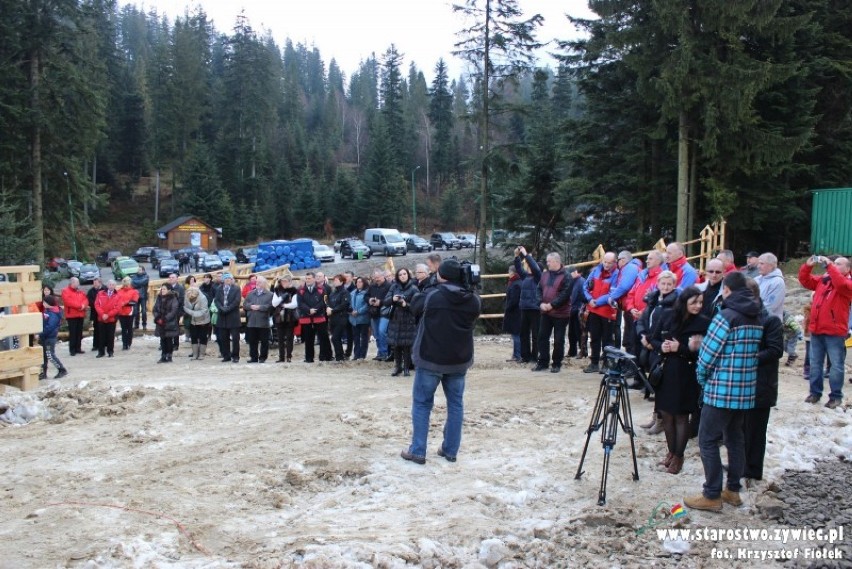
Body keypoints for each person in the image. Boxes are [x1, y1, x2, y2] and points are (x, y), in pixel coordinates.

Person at [684, 271, 763, 512]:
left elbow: (708, 354)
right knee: (735, 439)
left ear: (727, 290)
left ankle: (711, 494)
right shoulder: (757, 316)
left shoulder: (725, 316)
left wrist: (702, 378)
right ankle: (732, 490)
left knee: (707, 440)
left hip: (721, 389)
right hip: (745, 390)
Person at [401, 258, 481, 464]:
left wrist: (430, 284)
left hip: (430, 358)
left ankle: (418, 450)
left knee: (421, 404)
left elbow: (415, 306)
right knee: (456, 405)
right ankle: (450, 450)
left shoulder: (432, 295)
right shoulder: (473, 300)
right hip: (458, 359)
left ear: (440, 276)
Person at [648, 286, 710, 474]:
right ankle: (671, 452)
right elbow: (653, 338)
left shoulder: (704, 322)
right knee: (666, 414)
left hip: (687, 371)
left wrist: (681, 348)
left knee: (681, 416)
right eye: (694, 302)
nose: (698, 306)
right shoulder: (668, 315)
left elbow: (705, 351)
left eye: (700, 302)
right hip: (667, 369)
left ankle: (679, 456)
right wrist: (663, 347)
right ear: (684, 302)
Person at [742, 278, 783, 483]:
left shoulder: (771, 320)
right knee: (741, 427)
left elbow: (776, 350)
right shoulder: (740, 318)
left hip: (761, 384)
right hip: (742, 384)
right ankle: (741, 464)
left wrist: (750, 357)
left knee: (756, 430)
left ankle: (753, 469)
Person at [798, 255, 852, 409]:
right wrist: (807, 266)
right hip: (817, 329)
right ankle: (815, 393)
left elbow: (841, 285)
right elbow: (806, 281)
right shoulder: (825, 279)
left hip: (835, 332)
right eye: (833, 263)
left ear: (848, 269)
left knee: (836, 366)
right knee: (815, 364)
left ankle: (835, 396)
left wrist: (829, 266)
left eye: (838, 264)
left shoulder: (847, 283)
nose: (834, 265)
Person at [532, 252, 573, 373]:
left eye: (549, 261)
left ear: (556, 262)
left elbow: (565, 294)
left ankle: (556, 363)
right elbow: (539, 289)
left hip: (561, 313)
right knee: (542, 337)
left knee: (559, 339)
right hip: (546, 312)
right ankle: (543, 362)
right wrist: (540, 303)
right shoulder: (545, 274)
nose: (547, 263)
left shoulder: (566, 276)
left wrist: (551, 305)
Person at [624, 249, 665, 358]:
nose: (647, 261)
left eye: (650, 258)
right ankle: (634, 369)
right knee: (633, 344)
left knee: (644, 347)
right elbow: (631, 294)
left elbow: (658, 299)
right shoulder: (641, 276)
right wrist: (631, 308)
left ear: (658, 261)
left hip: (649, 319)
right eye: (647, 258)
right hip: (635, 317)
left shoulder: (661, 278)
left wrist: (643, 312)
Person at [582, 252, 618, 373]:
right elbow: (585, 286)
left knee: (607, 339)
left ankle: (607, 364)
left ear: (614, 262)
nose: (607, 265)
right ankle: (594, 363)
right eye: (605, 262)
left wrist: (597, 301)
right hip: (593, 309)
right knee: (594, 337)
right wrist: (589, 299)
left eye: (609, 263)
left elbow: (613, 293)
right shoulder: (595, 271)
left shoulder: (616, 274)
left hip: (607, 311)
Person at [384, 268, 419, 376]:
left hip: (408, 320)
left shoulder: (414, 288)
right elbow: (385, 301)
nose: (403, 276)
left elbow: (418, 306)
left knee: (407, 345)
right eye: (400, 274)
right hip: (395, 318)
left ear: (408, 275)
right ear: (397, 277)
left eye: (404, 274)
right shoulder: (394, 286)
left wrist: (405, 304)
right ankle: (397, 367)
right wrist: (393, 299)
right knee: (396, 345)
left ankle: (406, 368)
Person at [514, 246, 542, 364]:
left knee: (536, 335)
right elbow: (519, 269)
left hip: (535, 309)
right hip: (524, 308)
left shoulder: (538, 277)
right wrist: (516, 256)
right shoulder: (526, 276)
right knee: (523, 334)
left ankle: (535, 357)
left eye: (530, 266)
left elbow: (535, 268)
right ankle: (525, 356)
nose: (529, 267)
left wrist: (526, 255)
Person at [611, 250, 642, 351]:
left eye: (618, 260)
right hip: (629, 306)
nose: (616, 263)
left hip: (632, 307)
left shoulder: (630, 268)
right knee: (629, 334)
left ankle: (630, 358)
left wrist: (612, 296)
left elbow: (624, 286)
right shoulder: (628, 269)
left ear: (623, 260)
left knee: (631, 335)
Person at [297, 272, 330, 363]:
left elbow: (325, 300)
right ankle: (309, 358)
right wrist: (309, 309)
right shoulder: (300, 290)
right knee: (308, 338)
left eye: (309, 278)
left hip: (319, 316)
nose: (307, 280)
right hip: (306, 317)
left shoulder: (322, 289)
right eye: (306, 278)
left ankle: (324, 356)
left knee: (323, 337)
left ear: (314, 279)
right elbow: (300, 303)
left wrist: (315, 309)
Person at [243, 275, 273, 363]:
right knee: (252, 341)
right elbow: (245, 305)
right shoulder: (250, 293)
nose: (257, 284)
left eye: (259, 282)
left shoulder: (270, 295)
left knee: (264, 341)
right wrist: (251, 306)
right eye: (257, 282)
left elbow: (271, 307)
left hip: (263, 322)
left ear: (264, 284)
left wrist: (260, 307)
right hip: (251, 321)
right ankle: (253, 357)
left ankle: (263, 357)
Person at [214, 273, 242, 363]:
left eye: (229, 279)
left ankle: (235, 356)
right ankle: (226, 355)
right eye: (226, 279)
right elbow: (216, 300)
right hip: (222, 316)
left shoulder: (236, 289)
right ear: (223, 280)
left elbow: (237, 301)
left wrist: (228, 308)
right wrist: (221, 308)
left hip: (233, 316)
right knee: (223, 338)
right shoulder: (219, 289)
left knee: (235, 338)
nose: (228, 280)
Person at [39, 295, 67, 379]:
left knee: (50, 354)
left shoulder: (53, 313)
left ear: (48, 303)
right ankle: (43, 373)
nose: (43, 303)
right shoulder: (47, 311)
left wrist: (41, 333)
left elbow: (50, 326)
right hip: (45, 337)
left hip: (50, 337)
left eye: (44, 302)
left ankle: (62, 369)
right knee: (43, 355)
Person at [272, 277, 299, 363]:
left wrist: (284, 305)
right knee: (280, 338)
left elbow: (294, 304)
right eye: (282, 281)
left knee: (289, 337)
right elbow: (274, 303)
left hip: (290, 317)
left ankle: (289, 356)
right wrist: (282, 298)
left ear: (290, 282)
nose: (284, 283)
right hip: (279, 316)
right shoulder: (277, 290)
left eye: (285, 281)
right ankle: (281, 357)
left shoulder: (294, 290)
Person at [367, 269, 392, 361]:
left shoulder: (389, 286)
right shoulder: (372, 286)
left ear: (383, 276)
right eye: (375, 278)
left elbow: (390, 298)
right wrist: (369, 300)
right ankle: (380, 352)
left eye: (378, 277)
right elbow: (366, 296)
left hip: (385, 313)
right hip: (374, 313)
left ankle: (385, 352)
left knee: (382, 332)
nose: (376, 279)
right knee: (377, 334)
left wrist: (380, 302)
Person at [60, 277, 88, 356]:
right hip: (71, 315)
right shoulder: (65, 291)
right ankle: (72, 349)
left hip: (80, 314)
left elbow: (85, 299)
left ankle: (78, 348)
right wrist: (80, 306)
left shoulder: (80, 291)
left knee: (79, 332)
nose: (78, 284)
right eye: (77, 282)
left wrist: (84, 305)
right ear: (72, 283)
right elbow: (68, 302)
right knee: (73, 333)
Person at [326, 274, 352, 361]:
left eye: (336, 280)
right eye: (334, 280)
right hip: (333, 318)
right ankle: (339, 356)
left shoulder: (345, 292)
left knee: (335, 337)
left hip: (341, 318)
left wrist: (333, 310)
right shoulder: (333, 293)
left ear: (341, 282)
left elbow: (344, 305)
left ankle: (340, 357)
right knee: (335, 338)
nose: (334, 282)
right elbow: (329, 302)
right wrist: (328, 308)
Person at [153, 284, 180, 363]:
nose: (162, 291)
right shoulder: (159, 298)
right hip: (160, 322)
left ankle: (169, 355)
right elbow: (155, 309)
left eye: (164, 289)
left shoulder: (173, 298)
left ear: (168, 290)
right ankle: (163, 356)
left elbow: (173, 311)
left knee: (169, 340)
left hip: (169, 322)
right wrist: (157, 318)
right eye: (162, 289)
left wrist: (165, 319)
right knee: (162, 340)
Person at [94, 280, 121, 358]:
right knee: (101, 336)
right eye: (110, 284)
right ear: (107, 285)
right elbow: (97, 305)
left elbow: (117, 308)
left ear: (115, 286)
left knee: (110, 336)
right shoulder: (100, 293)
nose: (111, 286)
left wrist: (108, 315)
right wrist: (102, 314)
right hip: (101, 318)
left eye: (113, 285)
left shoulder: (118, 295)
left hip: (111, 319)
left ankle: (110, 351)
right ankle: (101, 352)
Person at [755, 253, 785, 320]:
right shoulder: (757, 279)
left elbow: (770, 306)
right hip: (756, 320)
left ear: (771, 266)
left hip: (770, 323)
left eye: (762, 264)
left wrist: (750, 310)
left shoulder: (778, 282)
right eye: (758, 263)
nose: (758, 266)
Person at [184, 286, 211, 360]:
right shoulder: (187, 296)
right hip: (193, 320)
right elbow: (186, 306)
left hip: (203, 320)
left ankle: (202, 354)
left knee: (202, 336)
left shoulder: (203, 298)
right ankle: (195, 354)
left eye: (193, 299)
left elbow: (202, 312)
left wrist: (190, 311)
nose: (191, 300)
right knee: (193, 336)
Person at [349, 276, 371, 360]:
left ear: (364, 283)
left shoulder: (367, 293)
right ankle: (356, 354)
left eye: (360, 282)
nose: (358, 283)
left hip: (363, 319)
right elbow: (349, 304)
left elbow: (367, 305)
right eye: (357, 282)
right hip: (353, 319)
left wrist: (358, 311)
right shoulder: (352, 293)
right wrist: (351, 311)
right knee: (356, 337)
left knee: (364, 337)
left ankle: (362, 355)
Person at [503, 265, 522, 362]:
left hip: (515, 313)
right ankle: (516, 354)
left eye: (509, 272)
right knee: (516, 334)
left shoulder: (515, 284)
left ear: (512, 272)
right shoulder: (515, 282)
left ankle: (517, 355)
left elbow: (514, 300)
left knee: (516, 334)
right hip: (515, 312)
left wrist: (507, 308)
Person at [116, 276, 140, 350]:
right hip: (121, 312)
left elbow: (134, 301)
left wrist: (125, 303)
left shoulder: (134, 291)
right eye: (124, 284)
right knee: (123, 329)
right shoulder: (119, 291)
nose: (126, 285)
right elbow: (116, 300)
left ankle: (129, 342)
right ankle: (124, 344)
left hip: (130, 312)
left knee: (129, 328)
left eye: (127, 284)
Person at [567, 266, 586, 359]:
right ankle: (572, 350)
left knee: (579, 332)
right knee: (571, 333)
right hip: (572, 310)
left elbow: (584, 296)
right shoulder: (572, 282)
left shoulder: (581, 282)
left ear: (575, 272)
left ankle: (582, 351)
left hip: (579, 310)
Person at [87, 277, 103, 354]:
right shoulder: (91, 291)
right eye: (94, 283)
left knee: (103, 329)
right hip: (95, 312)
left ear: (100, 283)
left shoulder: (105, 289)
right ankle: (95, 345)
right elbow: (89, 301)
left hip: (103, 312)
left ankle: (103, 344)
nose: (94, 285)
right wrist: (96, 306)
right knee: (96, 329)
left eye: (96, 283)